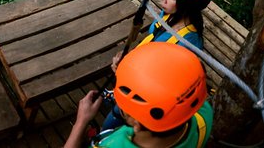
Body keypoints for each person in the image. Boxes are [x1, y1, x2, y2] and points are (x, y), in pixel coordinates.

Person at [102, 0, 216, 132]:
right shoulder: (168, 15)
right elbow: (153, 41)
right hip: (140, 76)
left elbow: (162, 88)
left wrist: (126, 73)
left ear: (188, 3)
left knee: (110, 125)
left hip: (147, 102)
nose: (162, 0)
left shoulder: (187, 45)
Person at [65, 43, 212, 148]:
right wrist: (131, 73)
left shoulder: (115, 144)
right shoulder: (204, 114)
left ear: (136, 123)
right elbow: (174, 83)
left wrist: (81, 122)